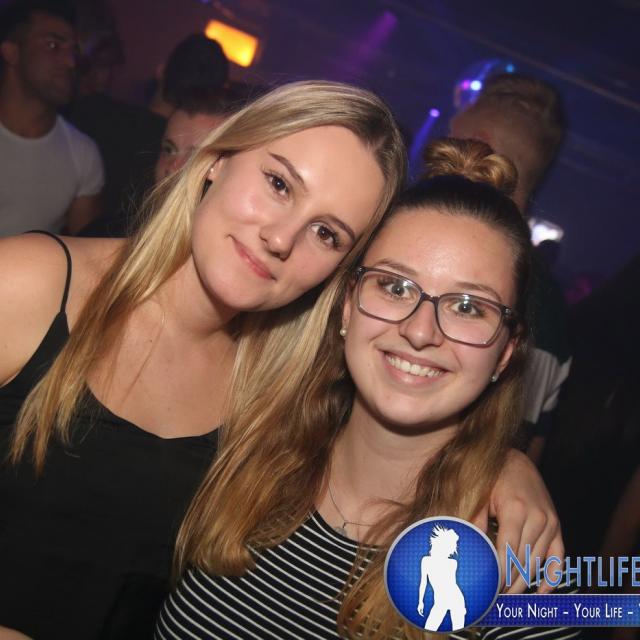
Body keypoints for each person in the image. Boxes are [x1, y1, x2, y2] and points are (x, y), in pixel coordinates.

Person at [0, 83, 559, 639]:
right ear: (217, 159)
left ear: (508, 350)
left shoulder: (274, 394)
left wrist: (501, 466)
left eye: (327, 233)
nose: (281, 237)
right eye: (279, 183)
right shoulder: (31, 285)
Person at [157, 139, 574, 640]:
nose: (420, 331)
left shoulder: (521, 574)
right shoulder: (244, 449)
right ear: (347, 306)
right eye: (395, 287)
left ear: (505, 353)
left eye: (468, 307)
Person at [449, 72, 571, 463]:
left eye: (449, 141)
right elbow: (528, 449)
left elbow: (502, 459)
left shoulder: (529, 303)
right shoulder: (548, 304)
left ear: (477, 148)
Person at [0, 0, 104, 236]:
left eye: (73, 51)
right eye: (53, 45)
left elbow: (83, 251)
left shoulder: (82, 153)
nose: (70, 62)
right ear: (11, 52)